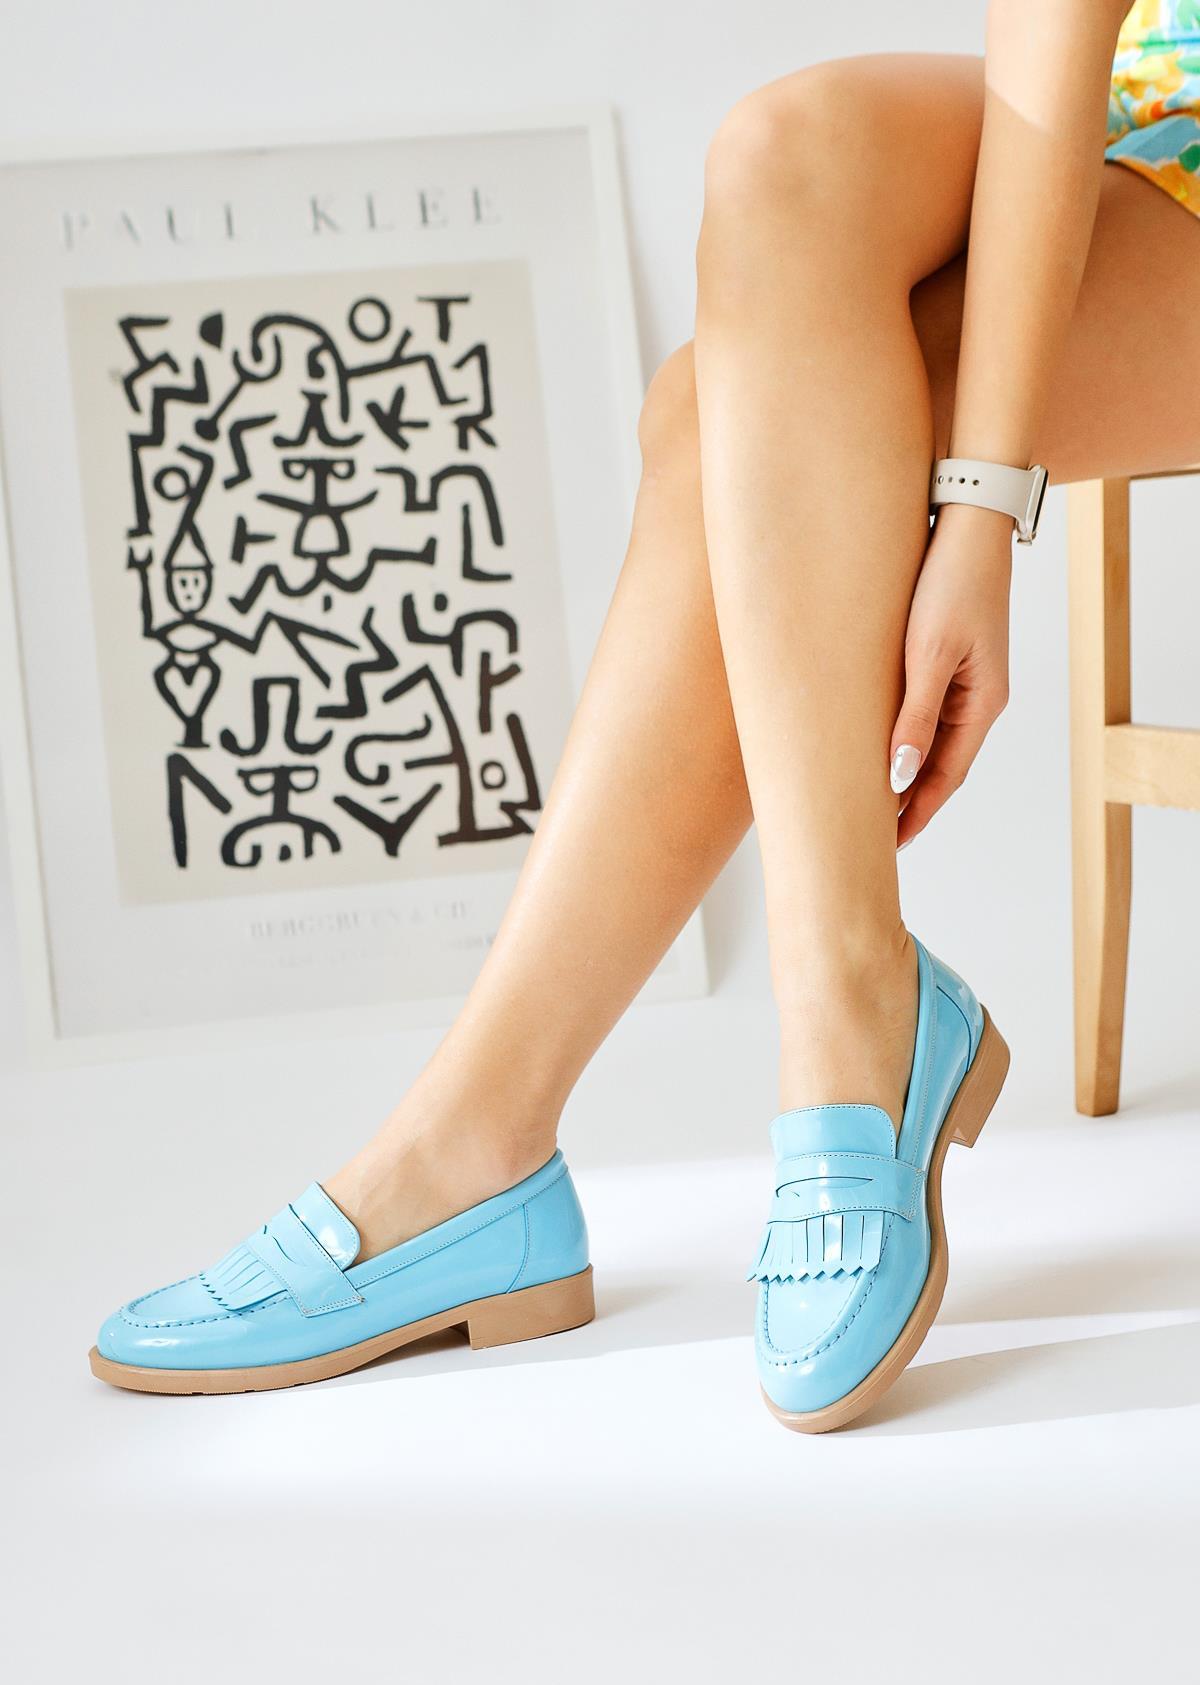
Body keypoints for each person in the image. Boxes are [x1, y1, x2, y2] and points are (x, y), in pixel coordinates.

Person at [91, 1, 1200, 1430]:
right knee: (786, 151)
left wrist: (982, 513)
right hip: (1158, 97)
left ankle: (493, 1142)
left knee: (723, 419)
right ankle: (818, 1010)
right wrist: (975, 506)